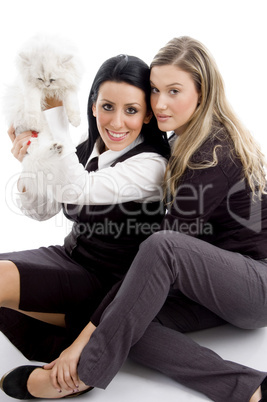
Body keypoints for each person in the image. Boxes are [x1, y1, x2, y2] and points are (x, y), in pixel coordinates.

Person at [2, 36, 267, 401]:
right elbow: (50, 204)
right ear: (94, 105)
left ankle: (82, 370)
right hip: (201, 283)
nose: (160, 103)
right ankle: (252, 388)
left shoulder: (212, 151)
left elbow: (167, 247)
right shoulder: (176, 143)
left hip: (253, 283)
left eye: (174, 91)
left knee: (159, 250)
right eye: (156, 90)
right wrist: (33, 164)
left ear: (202, 93)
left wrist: (82, 343)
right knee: (128, 320)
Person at [0, 54, 170, 399]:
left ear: (148, 114)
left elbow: (80, 189)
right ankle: (82, 354)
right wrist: (30, 163)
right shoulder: (82, 150)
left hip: (108, 284)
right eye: (108, 106)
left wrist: (52, 126)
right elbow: (42, 210)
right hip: (70, 258)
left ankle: (88, 352)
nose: (117, 121)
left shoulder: (152, 165)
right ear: (92, 106)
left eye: (132, 110)